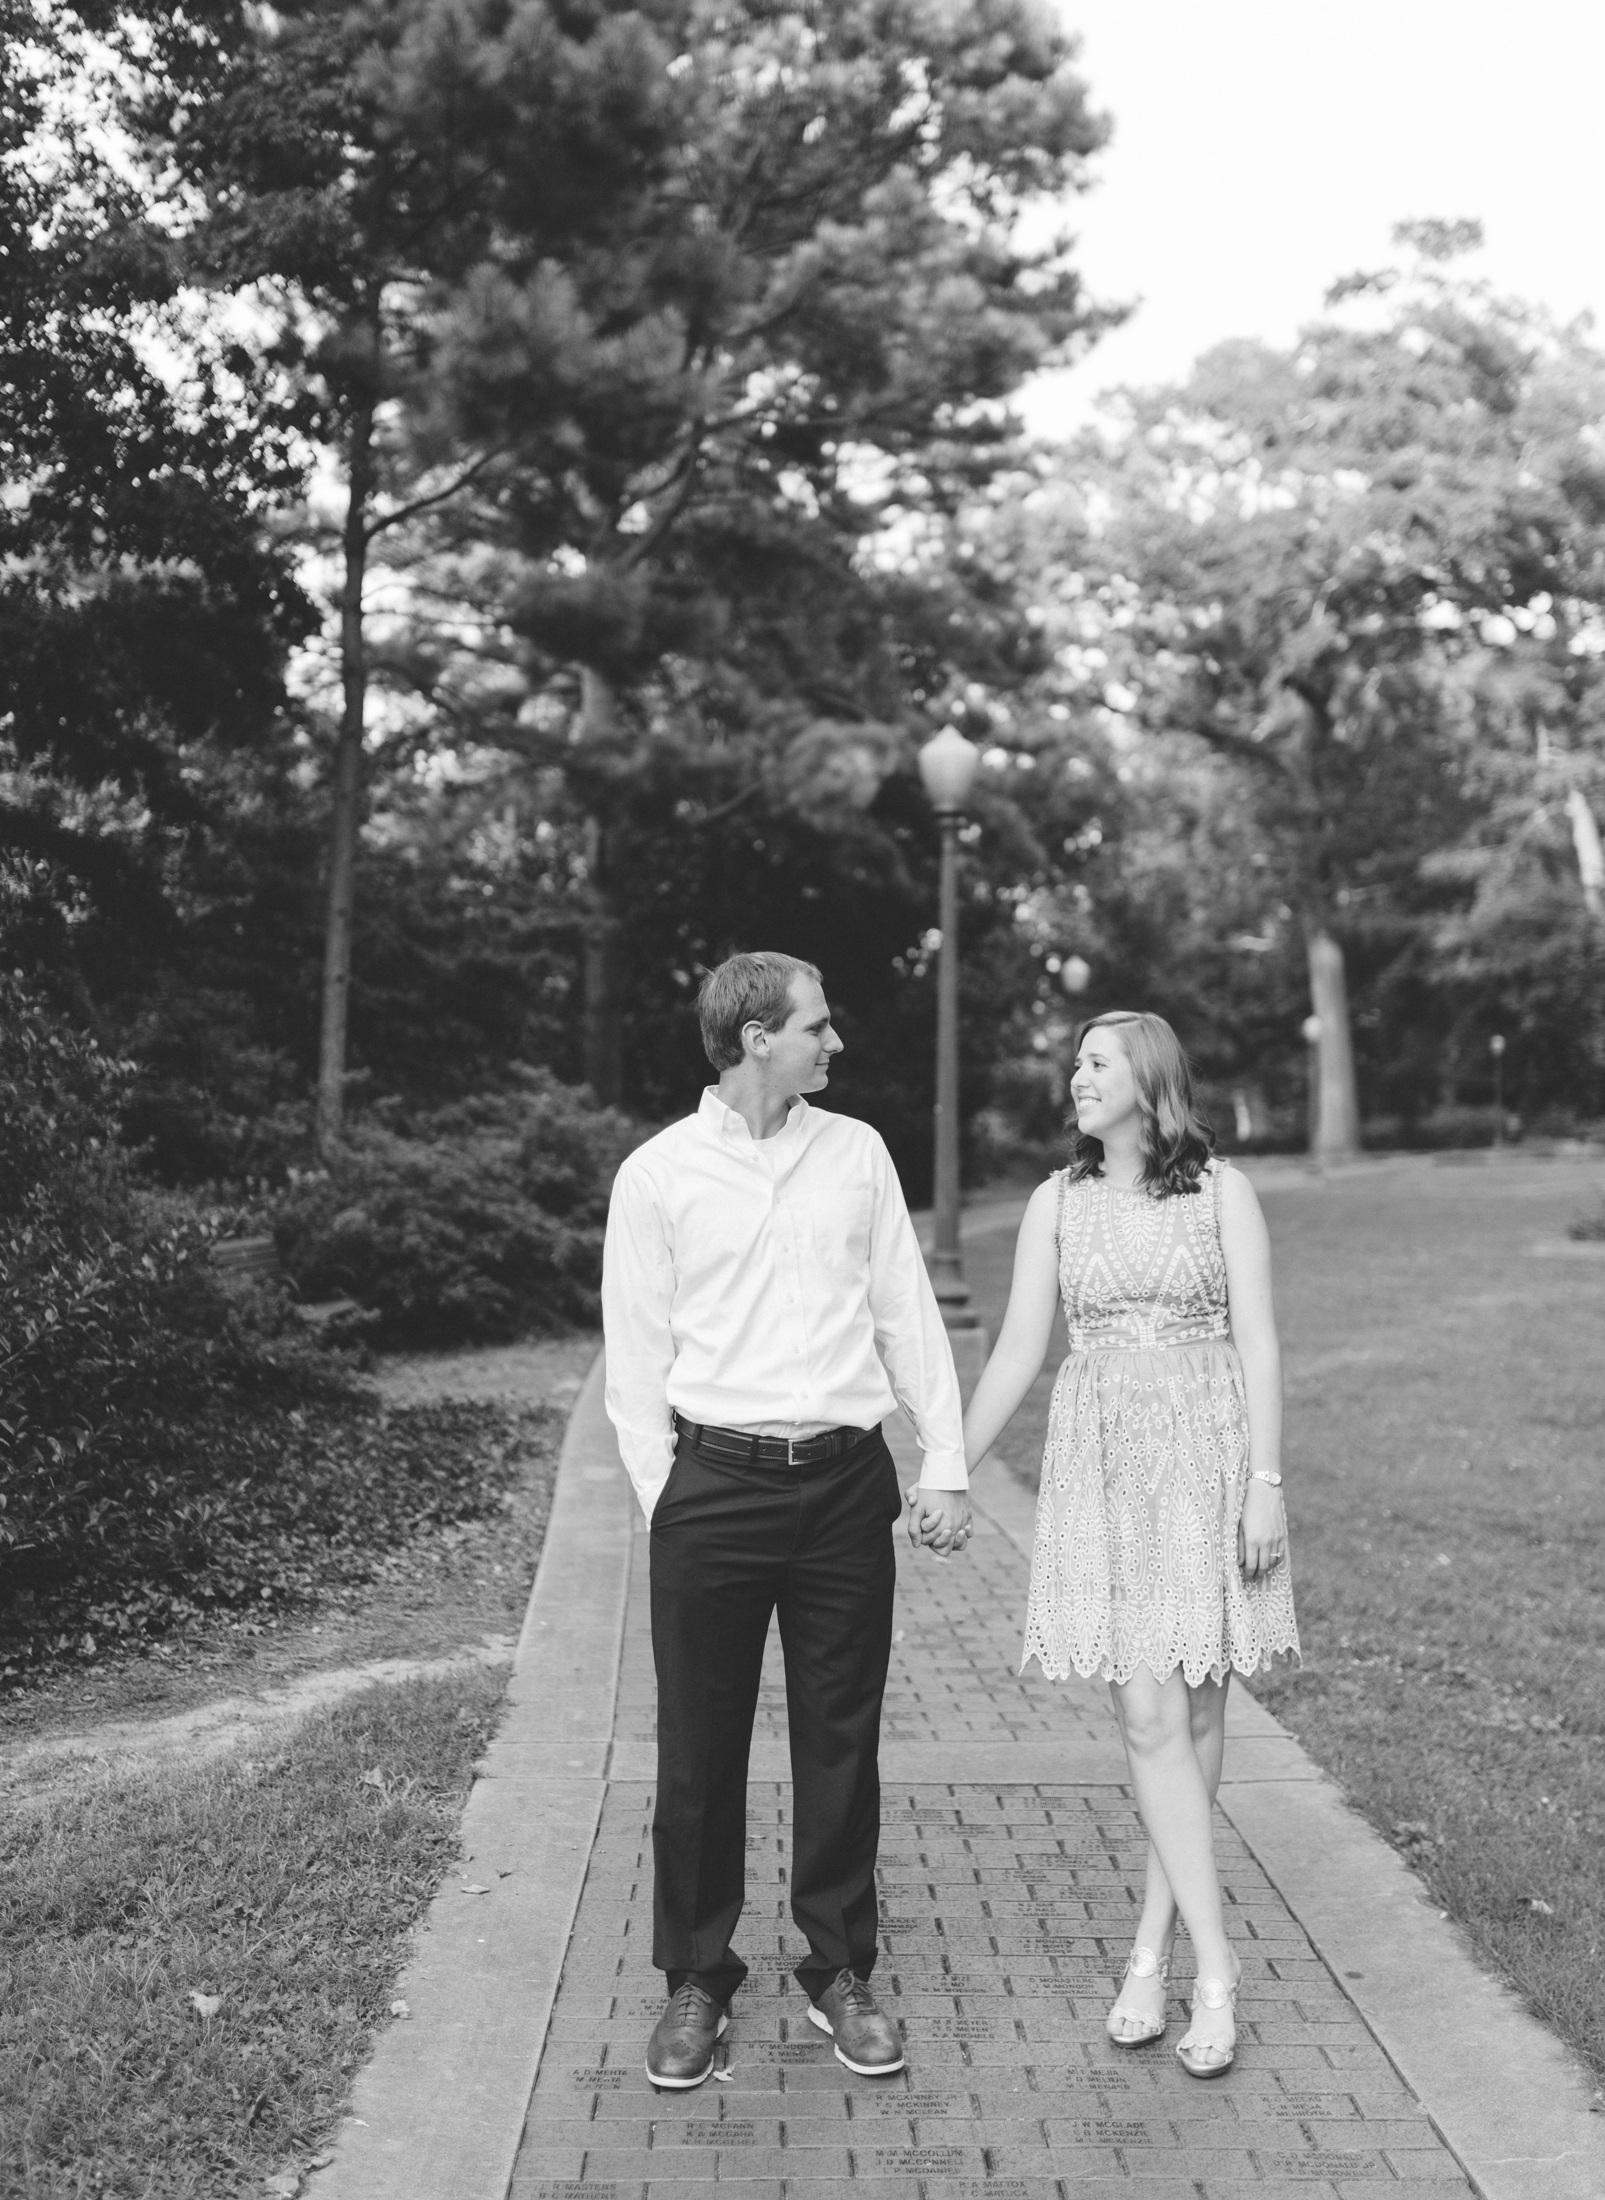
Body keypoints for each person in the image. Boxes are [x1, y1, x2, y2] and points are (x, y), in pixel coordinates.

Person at [602, 949, 970, 2091]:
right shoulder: (657, 1175)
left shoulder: (854, 1152)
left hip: (846, 1485)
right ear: (758, 1036)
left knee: (841, 1739)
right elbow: (636, 1357)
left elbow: (908, 1313)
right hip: (712, 1487)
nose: (835, 1040)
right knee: (699, 1750)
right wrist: (670, 1498)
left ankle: (839, 1971)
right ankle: (697, 1981)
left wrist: (944, 1460)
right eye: (819, 1023)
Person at [960, 1010, 1299, 2079]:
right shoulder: (1054, 1202)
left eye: (1095, 1061)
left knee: (1198, 1708)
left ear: (1146, 1076)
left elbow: (1259, 1340)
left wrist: (1266, 1486)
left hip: (1209, 1461)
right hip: (1107, 1463)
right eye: (1073, 1062)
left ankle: (1149, 1952)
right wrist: (948, 1463)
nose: (1075, 1075)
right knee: (1149, 1708)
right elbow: (1020, 1347)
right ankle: (1217, 1968)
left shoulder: (1222, 1193)